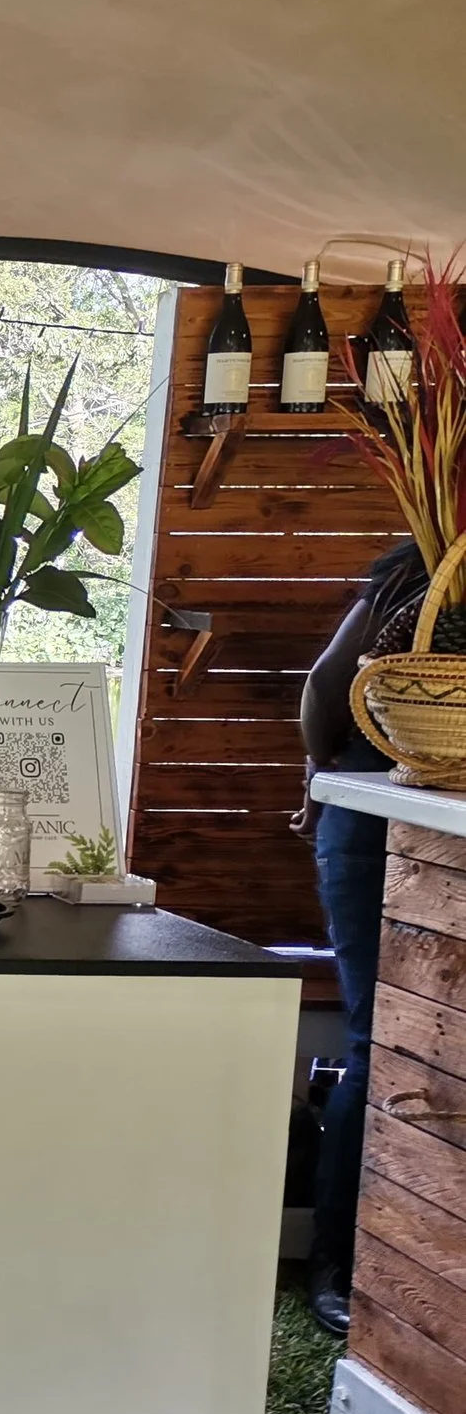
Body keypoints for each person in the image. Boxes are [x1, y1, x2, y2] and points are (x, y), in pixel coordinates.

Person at [294, 539, 431, 1334]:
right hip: (376, 814)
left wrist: (321, 774)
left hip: (363, 807)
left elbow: (325, 684)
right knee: (380, 1043)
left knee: (384, 1042)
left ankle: (364, 1261)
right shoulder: (423, 569)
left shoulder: (421, 565)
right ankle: (339, 1260)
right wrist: (325, 777)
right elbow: (325, 683)